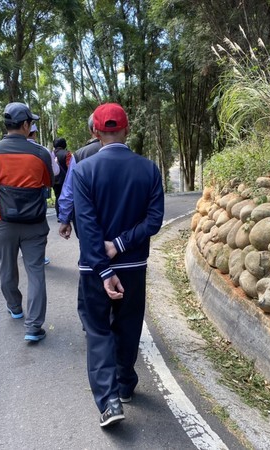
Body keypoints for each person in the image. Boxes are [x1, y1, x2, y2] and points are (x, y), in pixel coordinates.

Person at [70, 103, 164, 427]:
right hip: (134, 265)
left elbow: (87, 225)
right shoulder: (149, 170)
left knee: (97, 331)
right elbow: (154, 220)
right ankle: (125, 383)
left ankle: (109, 402)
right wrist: (122, 245)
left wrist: (104, 269)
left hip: (94, 270)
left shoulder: (83, 170)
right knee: (128, 324)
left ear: (95, 132)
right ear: (127, 130)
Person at [0, 102, 54, 342]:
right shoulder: (40, 153)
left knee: (7, 266)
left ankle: (15, 307)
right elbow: (48, 183)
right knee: (35, 272)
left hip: (4, 221)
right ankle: (33, 327)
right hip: (34, 222)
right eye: (31, 122)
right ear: (24, 125)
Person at [57, 114, 101, 233]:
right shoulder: (124, 151)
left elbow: (69, 190)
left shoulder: (79, 155)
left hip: (88, 222)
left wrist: (65, 219)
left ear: (91, 129)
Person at [28, 123, 58, 265]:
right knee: (38, 226)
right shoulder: (42, 150)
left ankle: (25, 252)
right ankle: (39, 256)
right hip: (37, 193)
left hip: (11, 196)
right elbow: (55, 171)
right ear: (34, 133)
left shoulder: (5, 149)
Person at [52, 137, 70, 220]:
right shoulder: (67, 154)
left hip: (54, 180)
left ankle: (59, 215)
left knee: (57, 196)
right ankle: (66, 215)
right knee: (67, 197)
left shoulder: (51, 154)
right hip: (65, 180)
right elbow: (70, 167)